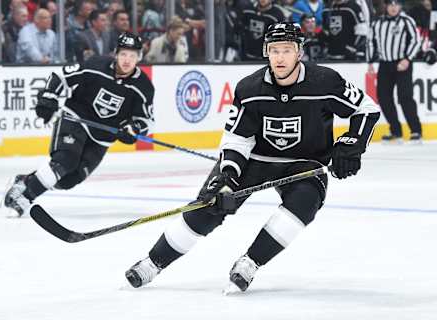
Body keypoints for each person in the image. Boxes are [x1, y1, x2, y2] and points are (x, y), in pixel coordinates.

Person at [124, 22, 380, 292]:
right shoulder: (249, 89)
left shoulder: (326, 81)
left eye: (287, 50)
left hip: (305, 164)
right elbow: (237, 139)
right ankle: (152, 263)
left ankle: (250, 263)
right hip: (255, 160)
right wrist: (227, 176)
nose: (280, 57)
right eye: (274, 50)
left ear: (300, 52)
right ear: (266, 52)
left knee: (304, 204)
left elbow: (366, 109)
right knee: (210, 205)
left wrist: (351, 145)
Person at [3, 32, 155, 217]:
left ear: (139, 57)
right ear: (116, 53)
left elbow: (146, 120)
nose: (127, 60)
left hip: (103, 137)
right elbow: (61, 77)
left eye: (132, 55)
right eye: (123, 54)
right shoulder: (95, 65)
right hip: (75, 119)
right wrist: (49, 96)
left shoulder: (144, 87)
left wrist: (134, 128)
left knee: (68, 180)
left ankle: (27, 180)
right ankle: (23, 198)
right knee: (65, 161)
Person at [367, 0, 422, 143]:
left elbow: (416, 41)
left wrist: (407, 59)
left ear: (400, 6)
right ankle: (396, 131)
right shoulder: (377, 23)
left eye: (396, 4)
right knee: (384, 98)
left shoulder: (406, 21)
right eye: (390, 4)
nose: (393, 7)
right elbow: (370, 41)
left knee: (405, 97)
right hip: (385, 64)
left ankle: (416, 131)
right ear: (386, 6)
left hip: (402, 63)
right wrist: (370, 62)